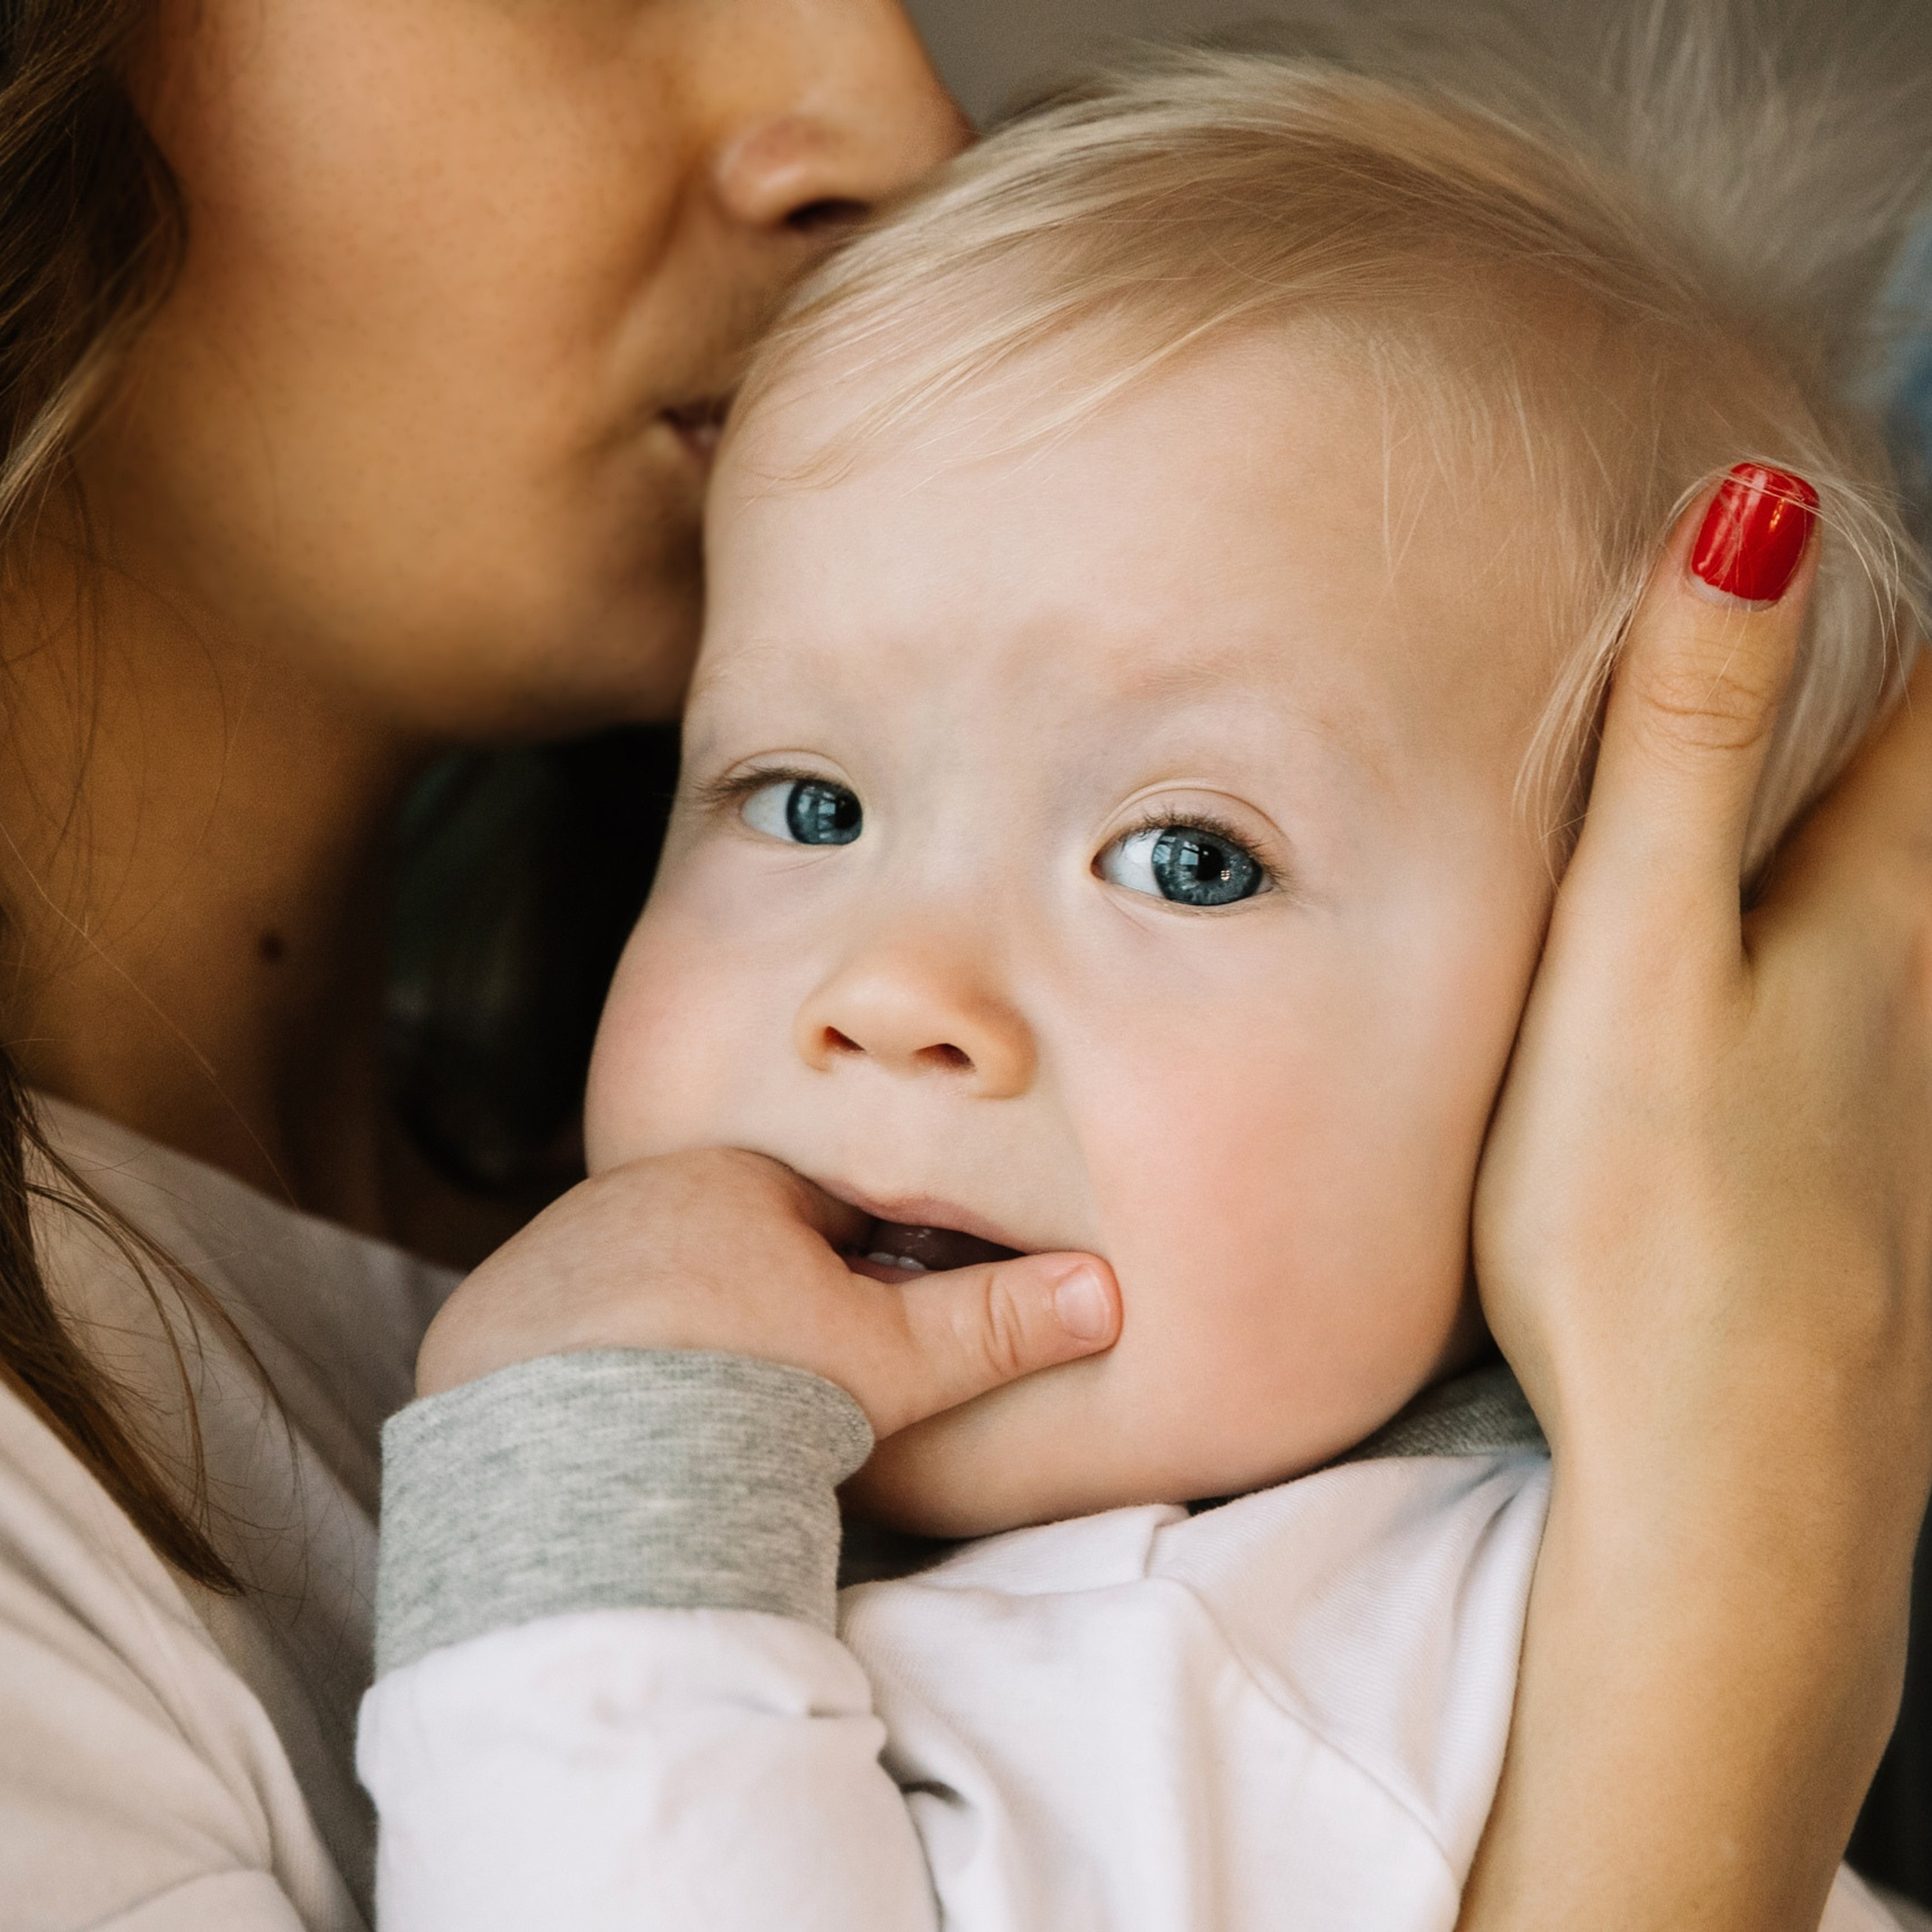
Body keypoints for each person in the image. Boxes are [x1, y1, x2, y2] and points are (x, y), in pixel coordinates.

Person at [0, 4, 1928, 1931]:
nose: (898, 988)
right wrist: (1736, 1604)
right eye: (807, 804)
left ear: (1605, 1024)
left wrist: (600, 1489)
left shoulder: (1254, 1680)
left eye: (1188, 858)